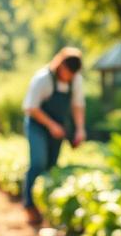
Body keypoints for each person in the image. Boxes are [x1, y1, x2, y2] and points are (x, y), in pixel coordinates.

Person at [22, 47, 87, 224]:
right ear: (60, 65)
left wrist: (80, 129)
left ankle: (47, 206)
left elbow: (78, 106)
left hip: (58, 126)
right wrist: (51, 125)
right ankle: (29, 205)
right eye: (67, 72)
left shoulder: (76, 81)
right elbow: (30, 108)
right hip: (37, 124)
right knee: (38, 163)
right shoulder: (43, 79)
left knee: (52, 166)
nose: (68, 76)